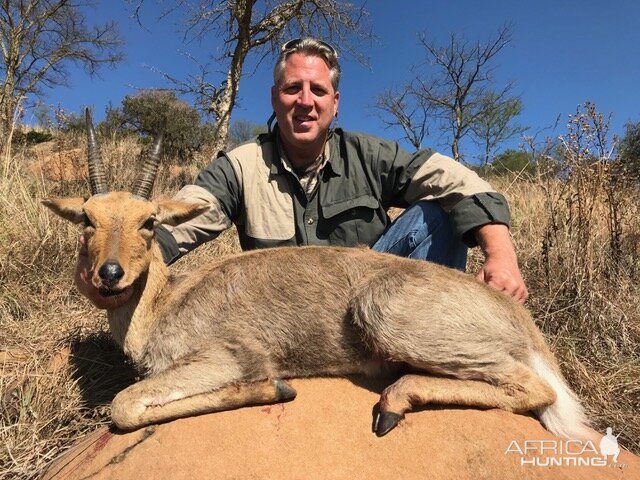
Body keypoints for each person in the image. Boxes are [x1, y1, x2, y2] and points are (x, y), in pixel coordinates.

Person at [77, 37, 528, 309]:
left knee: (438, 213)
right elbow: (172, 222)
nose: (305, 100)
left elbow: (458, 180)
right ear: (275, 98)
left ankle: (429, 341)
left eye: (318, 90)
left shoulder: (369, 154)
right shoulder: (239, 167)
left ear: (335, 102)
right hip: (289, 320)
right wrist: (105, 266)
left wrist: (501, 256)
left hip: (378, 304)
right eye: (293, 88)